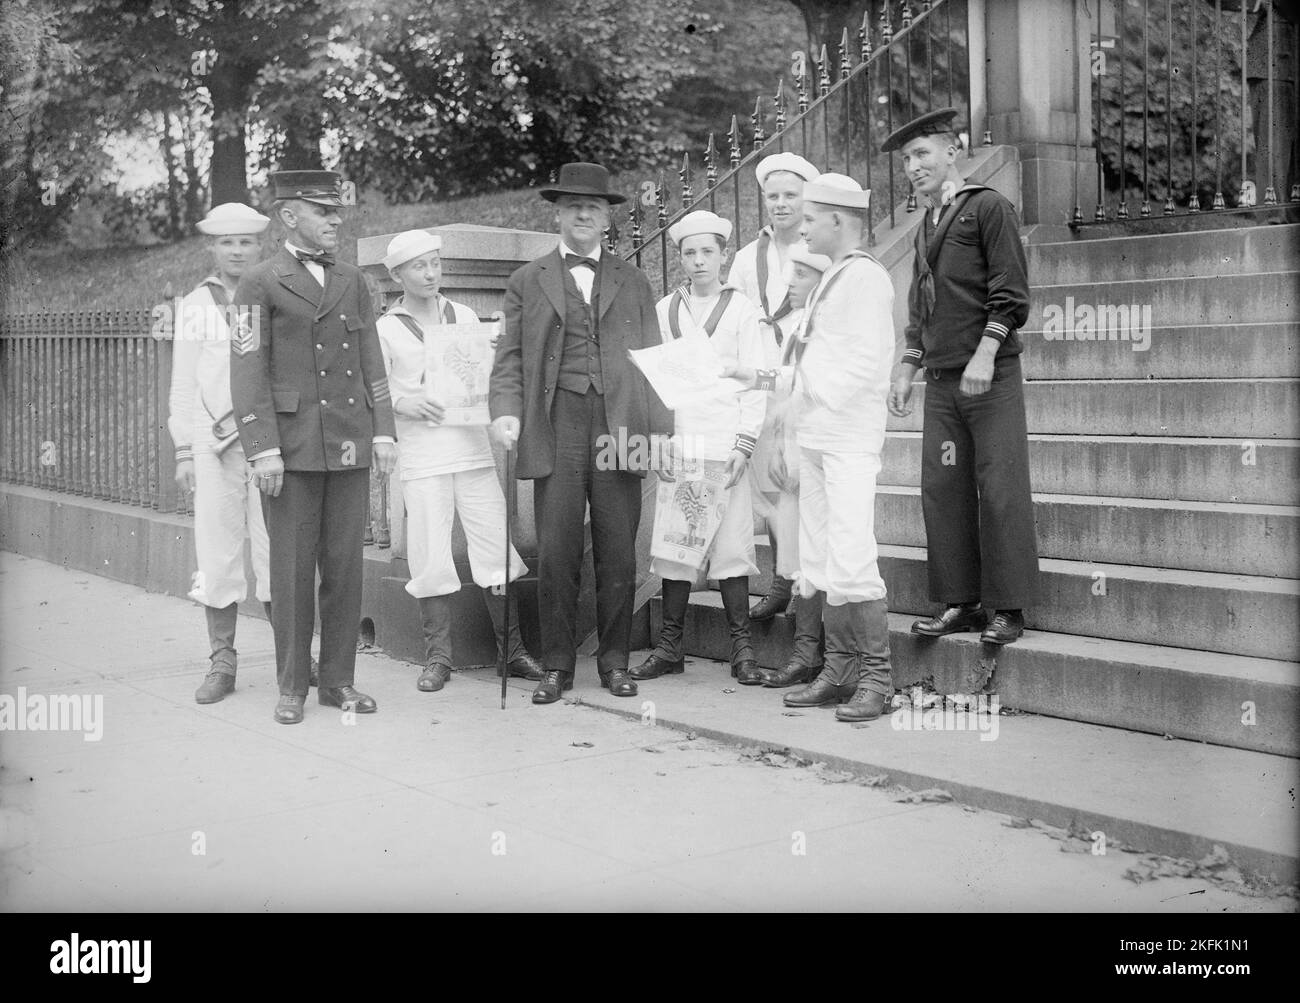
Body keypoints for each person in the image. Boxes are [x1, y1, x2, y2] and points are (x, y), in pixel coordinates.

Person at [489, 162, 673, 705]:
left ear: (607, 216)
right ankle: (556, 665)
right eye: (573, 206)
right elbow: (510, 359)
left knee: (618, 549)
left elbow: (656, 362)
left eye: (593, 207)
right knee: (557, 548)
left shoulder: (634, 280)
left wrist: (659, 435)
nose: (584, 214)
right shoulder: (528, 280)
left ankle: (615, 662)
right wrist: (504, 410)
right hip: (557, 422)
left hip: (620, 424)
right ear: (559, 213)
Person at [230, 169, 398, 724]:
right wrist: (262, 448)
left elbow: (372, 360)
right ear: (288, 216)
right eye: (322, 211)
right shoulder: (259, 281)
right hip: (292, 449)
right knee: (294, 570)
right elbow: (248, 369)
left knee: (347, 568)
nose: (334, 220)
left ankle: (339, 682)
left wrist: (383, 429)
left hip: (348, 444)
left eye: (336, 211)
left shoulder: (351, 278)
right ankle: (292, 686)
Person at [728, 173, 896, 722]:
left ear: (839, 221)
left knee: (852, 554)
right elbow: (802, 366)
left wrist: (805, 390)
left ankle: (876, 677)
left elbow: (866, 367)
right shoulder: (832, 280)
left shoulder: (864, 278)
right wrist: (750, 375)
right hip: (819, 439)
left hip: (847, 439)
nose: (801, 227)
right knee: (821, 557)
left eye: (811, 219)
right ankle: (839, 669)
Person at [884, 108, 1038, 646]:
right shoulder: (926, 221)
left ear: (954, 152)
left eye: (922, 153)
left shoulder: (988, 208)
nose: (913, 166)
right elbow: (919, 308)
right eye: (906, 159)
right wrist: (908, 365)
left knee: (999, 487)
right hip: (942, 383)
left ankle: (1008, 608)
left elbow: (1012, 293)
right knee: (943, 487)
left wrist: (984, 354)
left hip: (989, 380)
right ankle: (961, 602)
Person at [375, 229, 544, 692]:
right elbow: (373, 388)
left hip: (471, 447)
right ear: (397, 275)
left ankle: (511, 650)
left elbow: (488, 375)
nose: (429, 273)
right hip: (423, 452)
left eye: (434, 263)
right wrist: (399, 404)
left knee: (493, 543)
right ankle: (439, 656)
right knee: (430, 549)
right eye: (417, 267)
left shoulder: (463, 314)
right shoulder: (388, 328)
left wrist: (489, 358)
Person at [632, 210, 769, 686]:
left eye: (707, 251)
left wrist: (744, 443)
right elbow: (653, 377)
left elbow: (757, 379)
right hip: (683, 440)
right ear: (680, 258)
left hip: (726, 439)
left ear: (723, 255)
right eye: (689, 253)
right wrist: (661, 436)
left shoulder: (742, 309)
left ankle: (742, 650)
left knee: (731, 546)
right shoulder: (666, 309)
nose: (698, 261)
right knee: (677, 546)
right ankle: (670, 647)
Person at [168, 202, 272, 705]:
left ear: (260, 247)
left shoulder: (271, 295)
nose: (237, 250)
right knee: (217, 550)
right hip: (214, 445)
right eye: (227, 242)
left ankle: (294, 656)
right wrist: (185, 451)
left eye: (246, 241)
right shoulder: (194, 305)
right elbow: (184, 384)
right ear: (212, 247)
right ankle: (223, 661)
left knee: (277, 549)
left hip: (268, 444)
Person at [729, 152, 822, 623]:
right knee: (770, 483)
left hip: (804, 377)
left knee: (802, 482)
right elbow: (736, 316)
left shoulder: (817, 250)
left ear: (807, 198)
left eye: (791, 195)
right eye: (773, 196)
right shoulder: (750, 257)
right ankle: (782, 579)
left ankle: (809, 583)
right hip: (763, 378)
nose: (781, 204)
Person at [750, 243, 833, 691]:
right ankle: (805, 654)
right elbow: (783, 384)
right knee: (799, 555)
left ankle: (819, 654)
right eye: (790, 276)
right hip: (792, 451)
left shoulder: (827, 330)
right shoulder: (797, 327)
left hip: (819, 454)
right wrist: (743, 374)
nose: (791, 286)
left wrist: (798, 448)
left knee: (819, 553)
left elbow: (814, 392)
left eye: (800, 277)